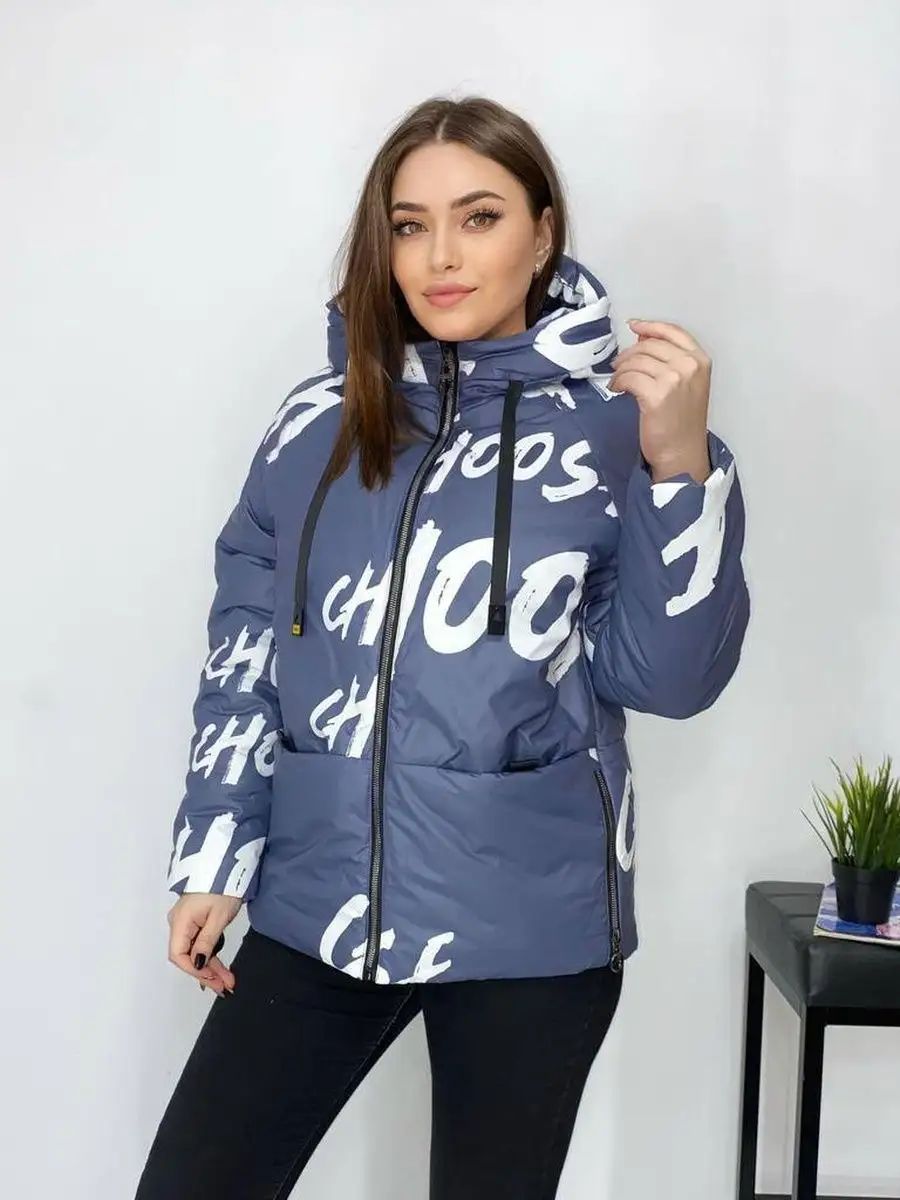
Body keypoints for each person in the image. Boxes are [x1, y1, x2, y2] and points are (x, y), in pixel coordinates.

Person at [135, 95, 750, 1200]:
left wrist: (680, 470)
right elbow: (246, 657)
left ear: (542, 233)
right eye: (409, 225)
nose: (441, 256)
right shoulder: (314, 425)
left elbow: (669, 681)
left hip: (530, 920)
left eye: (479, 216)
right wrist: (217, 852)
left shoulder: (621, 430)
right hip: (319, 896)